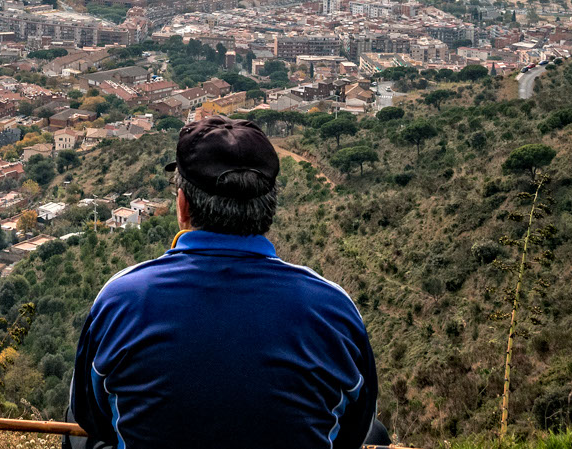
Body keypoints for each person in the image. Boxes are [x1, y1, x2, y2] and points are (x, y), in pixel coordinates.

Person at [68, 116, 383, 449]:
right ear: (269, 208)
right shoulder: (333, 309)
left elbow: (92, 416)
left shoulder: (122, 299)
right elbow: (355, 430)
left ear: (182, 205)